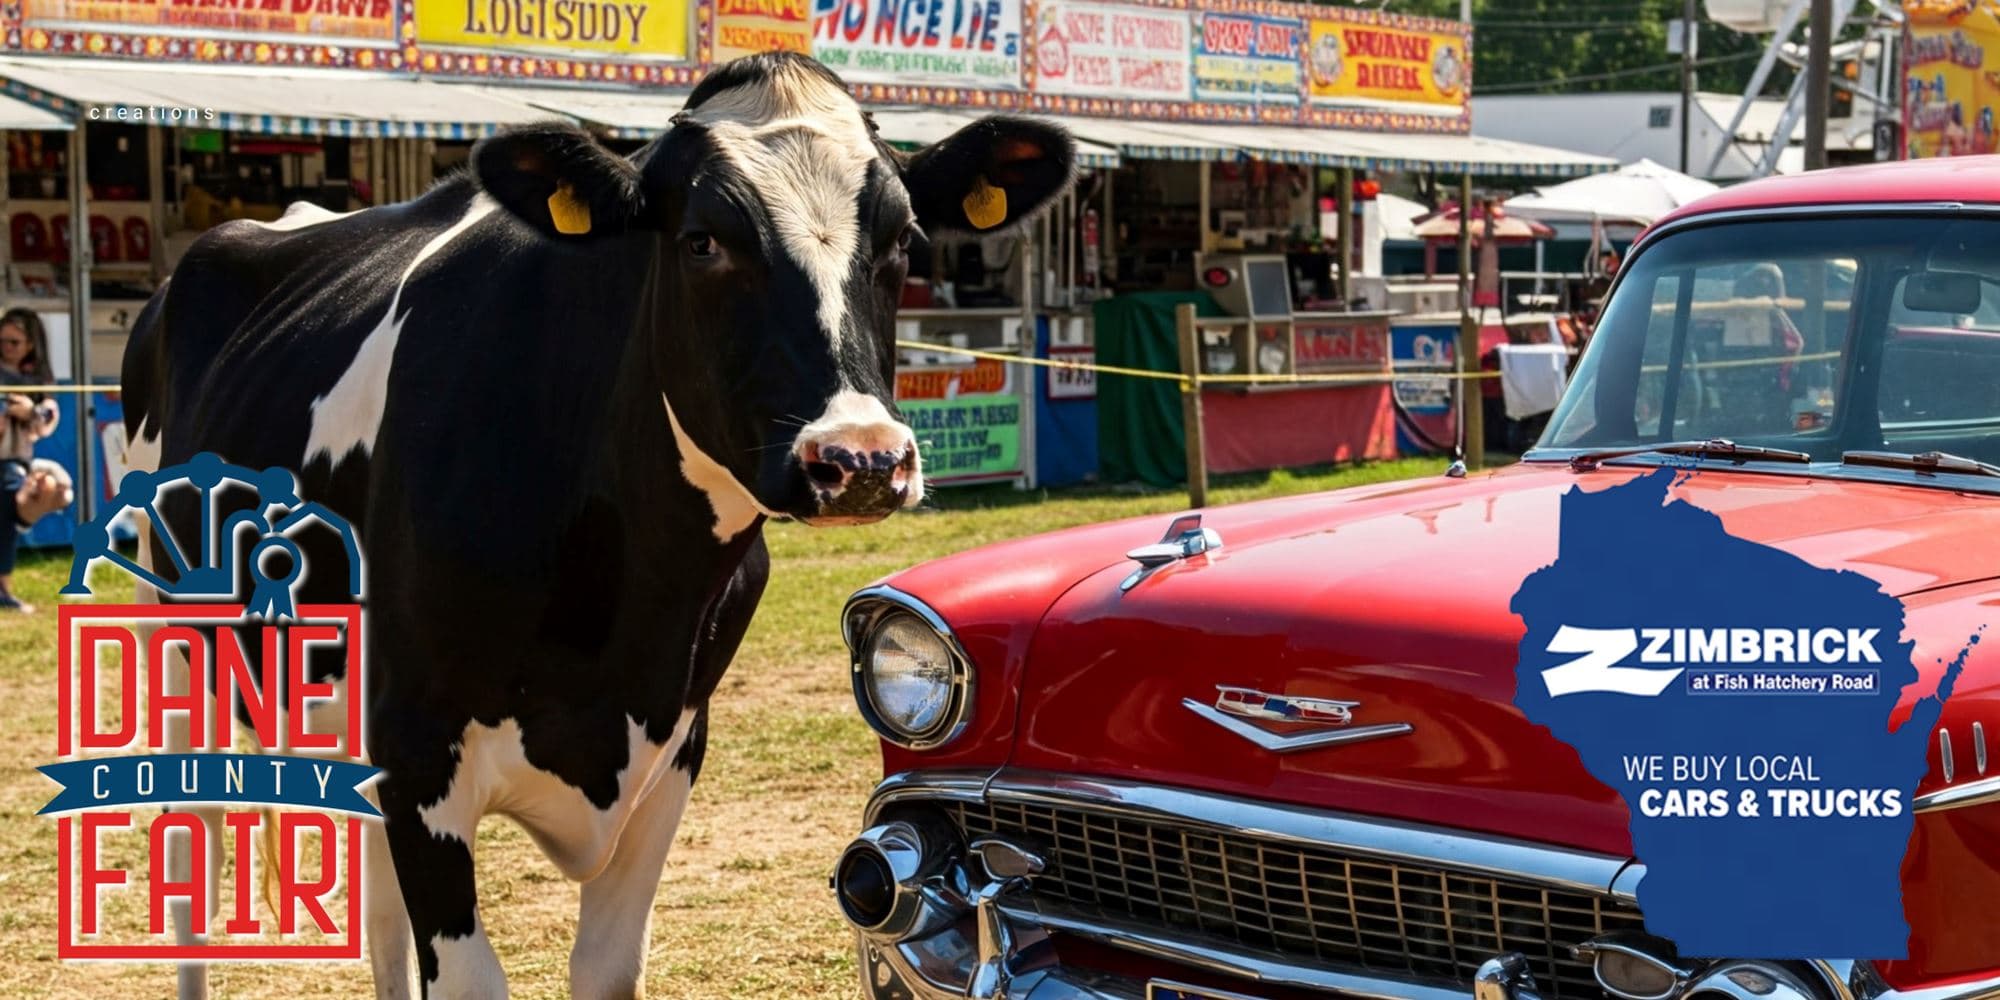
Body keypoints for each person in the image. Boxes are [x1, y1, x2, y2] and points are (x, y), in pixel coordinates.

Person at [0, 308, 67, 610]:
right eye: (2, 341)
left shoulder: (39, 380)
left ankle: (3, 588)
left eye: (14, 342)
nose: (6, 347)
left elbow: (48, 423)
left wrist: (30, 411)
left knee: (57, 489)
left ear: (30, 345)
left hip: (15, 461)